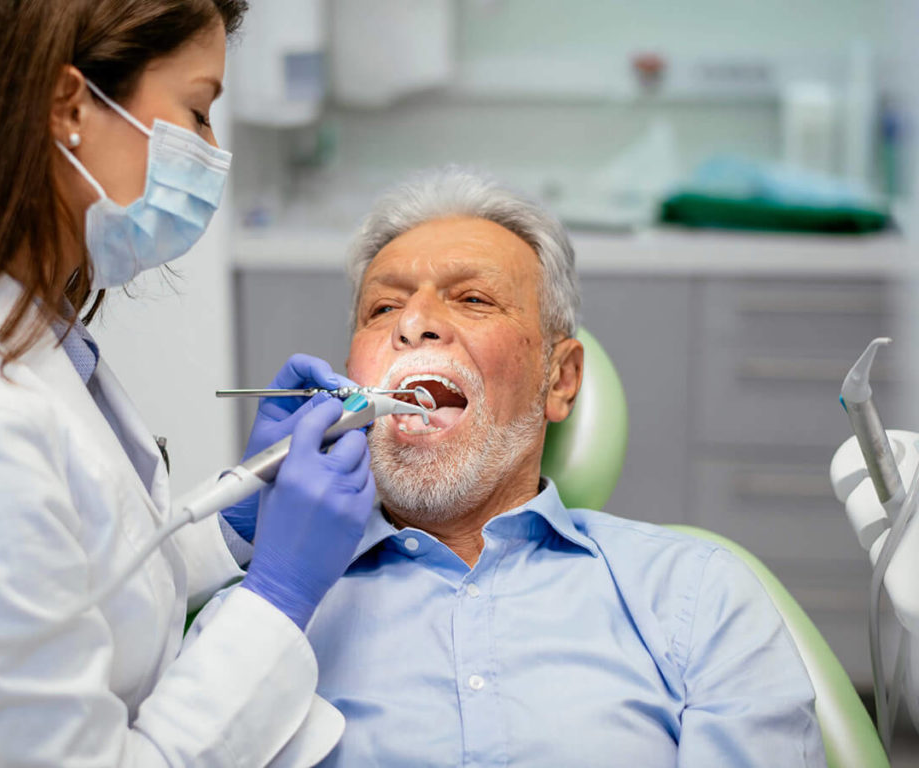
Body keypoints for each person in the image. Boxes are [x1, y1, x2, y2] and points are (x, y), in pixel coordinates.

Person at [0, 1, 375, 766]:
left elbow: (79, 587)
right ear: (69, 106)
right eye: (197, 110)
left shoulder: (41, 344)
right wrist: (277, 596)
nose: (211, 151)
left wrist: (232, 524)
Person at [303, 168, 827, 766]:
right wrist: (266, 598)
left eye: (473, 298)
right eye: (383, 307)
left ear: (560, 379)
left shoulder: (699, 595)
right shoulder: (276, 610)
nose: (412, 323)